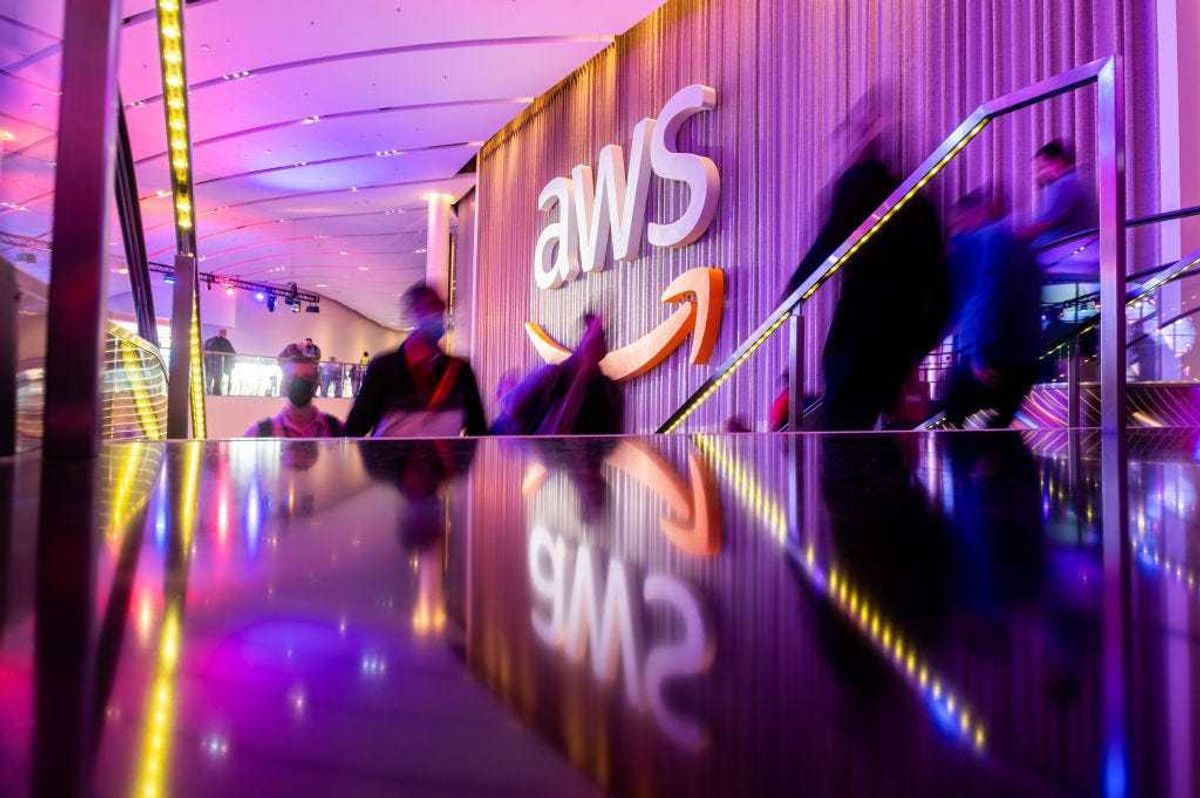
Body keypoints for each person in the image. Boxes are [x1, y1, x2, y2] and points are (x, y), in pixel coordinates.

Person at [782, 94, 947, 430]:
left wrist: (791, 293)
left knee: (844, 427)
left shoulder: (861, 184)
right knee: (875, 429)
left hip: (861, 328)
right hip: (899, 336)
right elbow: (938, 276)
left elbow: (831, 239)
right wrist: (919, 343)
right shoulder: (918, 196)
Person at [944, 189, 1042, 428]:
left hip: (994, 356)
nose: (956, 226)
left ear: (973, 214)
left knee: (955, 422)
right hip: (1022, 355)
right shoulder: (1016, 242)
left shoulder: (985, 241)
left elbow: (988, 296)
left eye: (958, 219)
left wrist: (980, 354)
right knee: (999, 430)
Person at [344, 283, 487, 437]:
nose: (438, 314)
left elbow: (478, 431)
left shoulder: (460, 371)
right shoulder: (384, 369)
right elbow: (354, 430)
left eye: (441, 308)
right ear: (413, 313)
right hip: (390, 460)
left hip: (444, 461)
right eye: (430, 307)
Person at [490, 313, 624, 435]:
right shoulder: (607, 391)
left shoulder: (551, 376)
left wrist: (508, 390)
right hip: (547, 449)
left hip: (517, 444)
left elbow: (512, 404)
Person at [1025, 139, 1098, 284]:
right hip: (1077, 259)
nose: (1039, 175)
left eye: (1042, 168)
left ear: (1057, 162)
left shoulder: (1064, 184)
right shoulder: (1074, 181)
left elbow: (1044, 223)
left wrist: (1013, 237)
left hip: (1067, 262)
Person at [244, 345, 344, 438]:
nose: (299, 383)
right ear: (284, 384)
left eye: (307, 377)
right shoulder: (260, 433)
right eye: (293, 378)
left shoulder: (336, 430)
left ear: (317, 384)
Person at [202, 328, 236, 395]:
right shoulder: (225, 342)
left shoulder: (209, 341)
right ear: (224, 333)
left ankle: (208, 393)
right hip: (218, 365)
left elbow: (204, 353)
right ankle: (215, 394)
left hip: (210, 365)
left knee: (209, 380)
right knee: (217, 381)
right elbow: (232, 353)